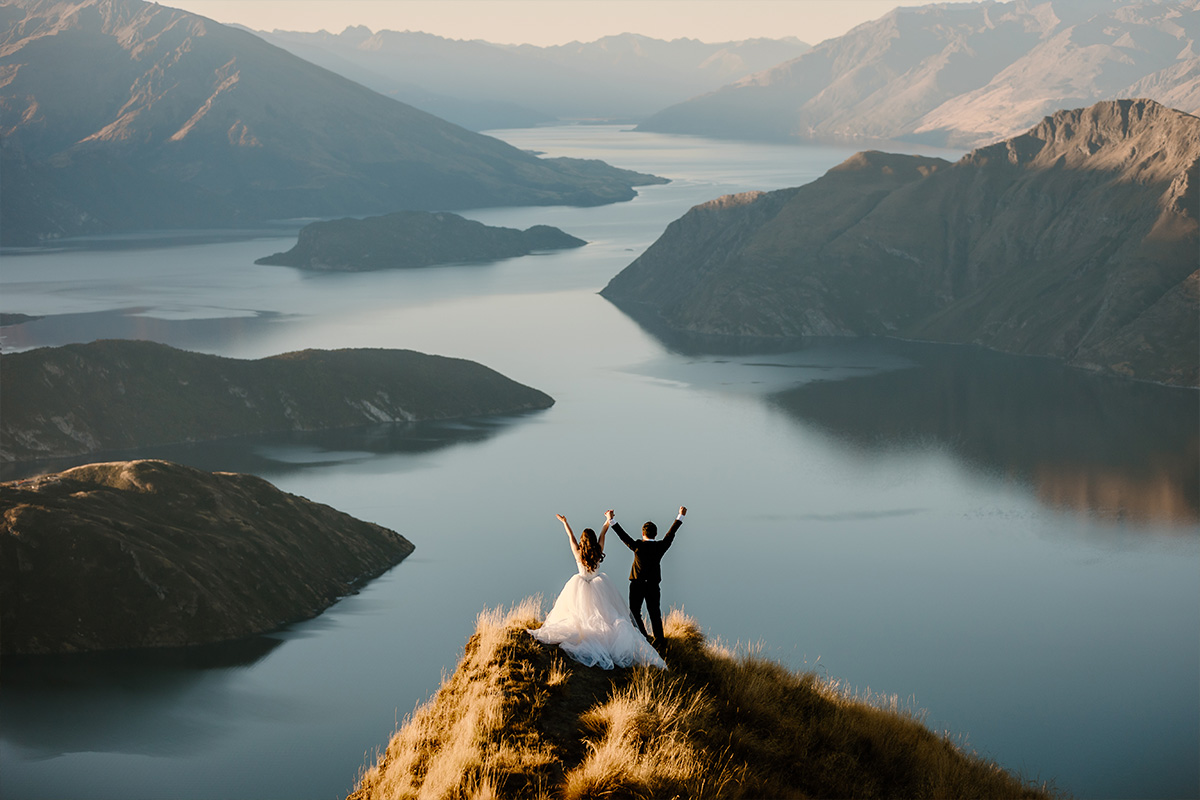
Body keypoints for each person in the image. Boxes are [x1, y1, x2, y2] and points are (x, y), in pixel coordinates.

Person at [528, 511, 665, 669]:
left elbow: (570, 537)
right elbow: (604, 532)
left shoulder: (578, 553)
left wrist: (565, 522)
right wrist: (608, 519)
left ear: (582, 540)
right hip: (599, 585)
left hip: (580, 585)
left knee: (578, 613)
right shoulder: (598, 550)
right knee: (605, 616)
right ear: (593, 540)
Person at [610, 506, 686, 650]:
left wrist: (611, 520)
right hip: (652, 585)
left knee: (634, 611)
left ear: (642, 533)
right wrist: (680, 516)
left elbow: (623, 536)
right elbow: (671, 534)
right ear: (655, 534)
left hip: (637, 584)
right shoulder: (660, 547)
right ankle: (660, 643)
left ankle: (643, 636)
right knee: (654, 613)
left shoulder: (638, 546)